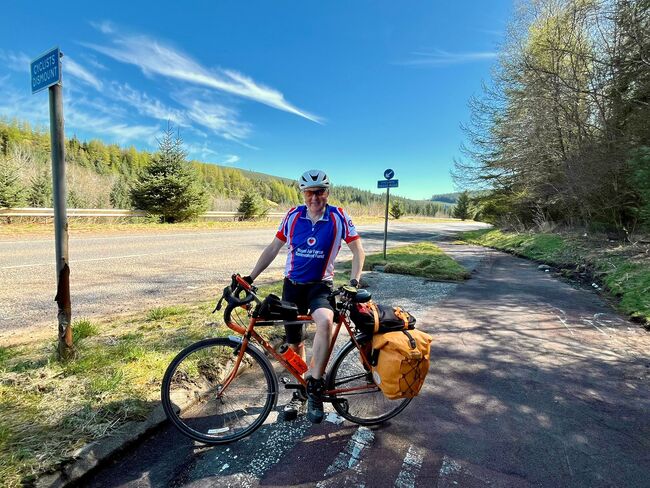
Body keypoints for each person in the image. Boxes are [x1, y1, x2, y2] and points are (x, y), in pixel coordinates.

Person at [244, 169, 365, 423]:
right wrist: (251, 277)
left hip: (320, 286)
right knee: (295, 341)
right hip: (292, 286)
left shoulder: (339, 216)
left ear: (327, 193)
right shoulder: (292, 216)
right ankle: (301, 391)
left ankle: (316, 388)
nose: (315, 197)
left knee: (324, 322)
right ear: (303, 194)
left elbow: (358, 251)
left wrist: (354, 281)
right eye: (310, 192)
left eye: (320, 192)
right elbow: (273, 248)